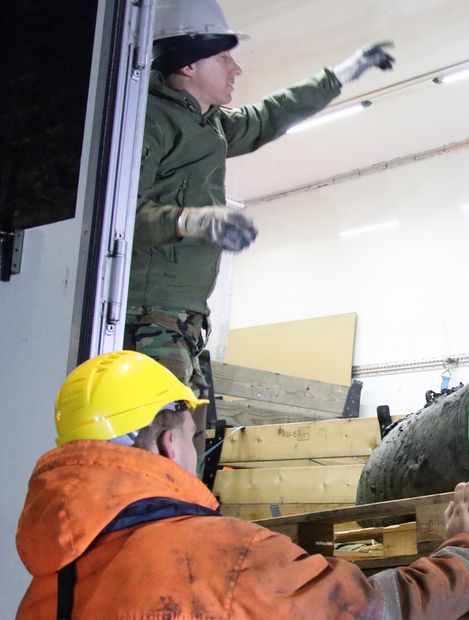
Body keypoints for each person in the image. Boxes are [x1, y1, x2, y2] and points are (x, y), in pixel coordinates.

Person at [16, 351, 469, 619]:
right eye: (191, 437)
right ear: (167, 444)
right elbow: (371, 612)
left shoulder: (50, 580)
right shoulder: (222, 556)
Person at [125, 0, 396, 458]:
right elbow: (119, 217)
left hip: (186, 320)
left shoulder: (209, 124)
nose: (237, 68)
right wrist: (190, 220)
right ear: (189, 64)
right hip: (151, 315)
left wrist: (344, 73)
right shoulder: (150, 122)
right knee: (162, 442)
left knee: (189, 441)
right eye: (225, 57)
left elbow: (271, 115)